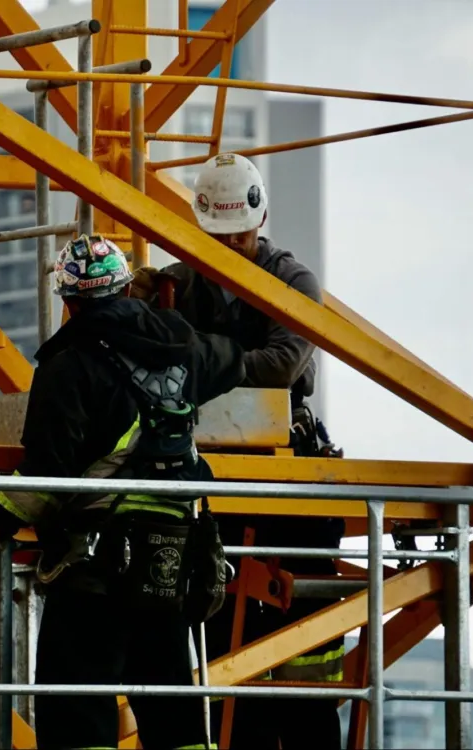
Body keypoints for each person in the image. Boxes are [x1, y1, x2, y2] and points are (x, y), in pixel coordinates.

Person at [0, 234, 246, 750]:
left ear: (69, 302)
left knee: (73, 704)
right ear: (125, 289)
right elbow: (237, 359)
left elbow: (45, 478)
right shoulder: (183, 347)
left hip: (98, 566)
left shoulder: (68, 367)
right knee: (172, 705)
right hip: (172, 555)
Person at [133, 152, 345, 748]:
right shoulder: (180, 284)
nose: (230, 247)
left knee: (303, 629)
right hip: (213, 472)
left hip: (288, 470)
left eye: (240, 236)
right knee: (222, 626)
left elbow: (283, 364)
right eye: (218, 238)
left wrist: (199, 364)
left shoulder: (292, 281)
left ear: (261, 220)